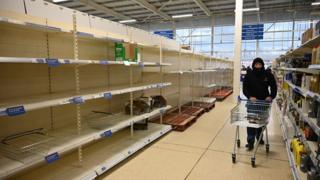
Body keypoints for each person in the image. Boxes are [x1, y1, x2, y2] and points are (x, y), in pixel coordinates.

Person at [242, 57, 277, 150]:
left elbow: (274, 86)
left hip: (264, 103)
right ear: (253, 65)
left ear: (262, 65)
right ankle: (250, 142)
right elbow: (245, 88)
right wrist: (249, 96)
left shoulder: (267, 74)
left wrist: (271, 96)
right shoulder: (249, 75)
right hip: (252, 103)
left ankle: (259, 136)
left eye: (260, 64)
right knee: (252, 122)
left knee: (261, 122)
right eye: (256, 64)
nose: (258, 66)